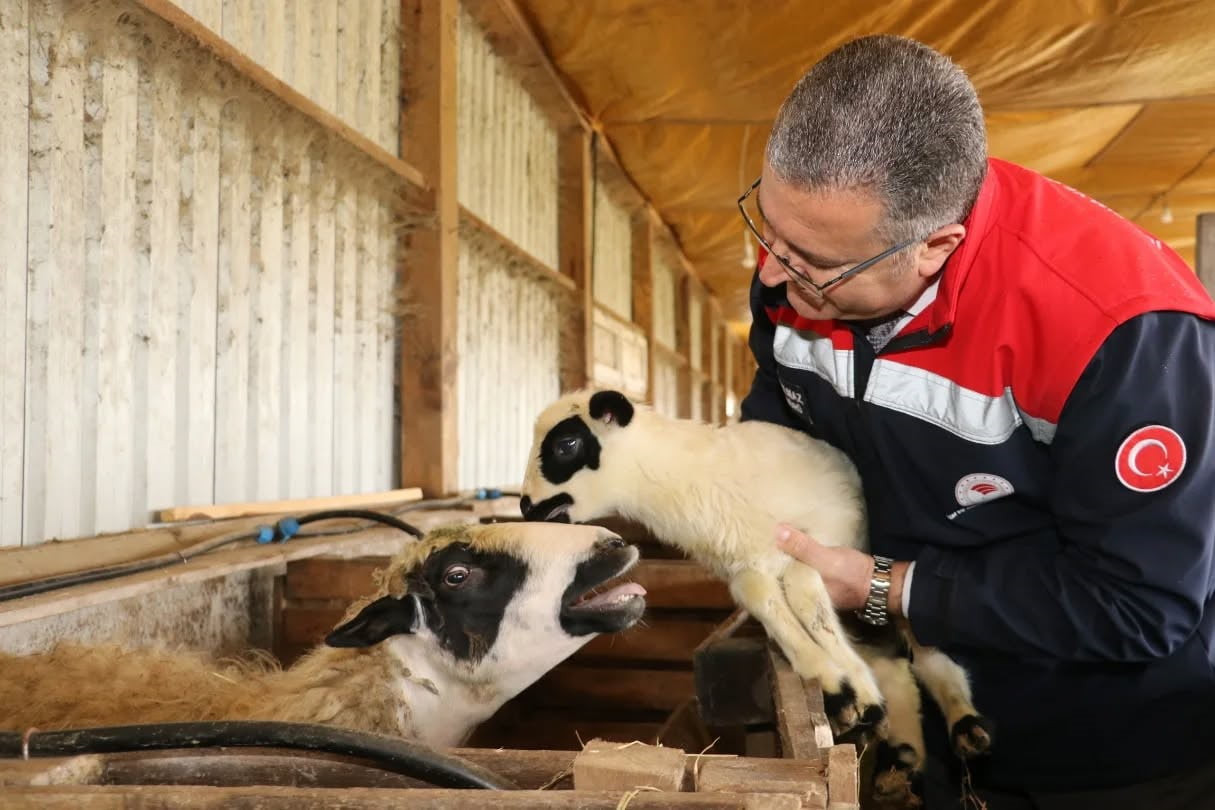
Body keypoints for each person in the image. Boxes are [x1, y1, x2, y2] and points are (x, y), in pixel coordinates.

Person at [737, 34, 1215, 809]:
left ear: (935, 247)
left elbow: (1139, 605)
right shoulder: (804, 263)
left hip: (1108, 752)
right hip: (923, 718)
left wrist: (879, 586)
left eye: (810, 263)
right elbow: (781, 421)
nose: (770, 274)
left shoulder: (1117, 328)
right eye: (766, 229)